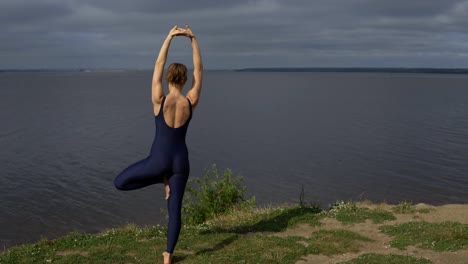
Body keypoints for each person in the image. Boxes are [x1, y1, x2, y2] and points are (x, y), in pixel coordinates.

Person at [113, 24, 202, 264]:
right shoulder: (190, 101)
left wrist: (169, 37)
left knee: (119, 182)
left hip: (158, 161)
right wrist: (192, 39)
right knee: (175, 210)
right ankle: (168, 255)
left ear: (168, 79)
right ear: (184, 79)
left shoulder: (159, 100)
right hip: (181, 163)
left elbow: (157, 65)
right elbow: (199, 70)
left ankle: (159, 178)